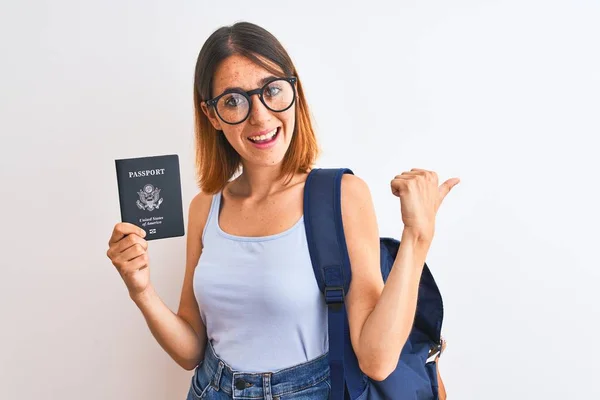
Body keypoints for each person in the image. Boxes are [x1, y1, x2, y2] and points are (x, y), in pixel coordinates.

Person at [106, 21, 459, 400]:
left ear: (293, 92)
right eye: (233, 100)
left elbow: (376, 359)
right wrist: (140, 289)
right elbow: (191, 350)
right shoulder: (203, 208)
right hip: (212, 389)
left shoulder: (342, 195)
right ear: (212, 116)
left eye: (272, 90)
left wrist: (417, 237)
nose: (259, 116)